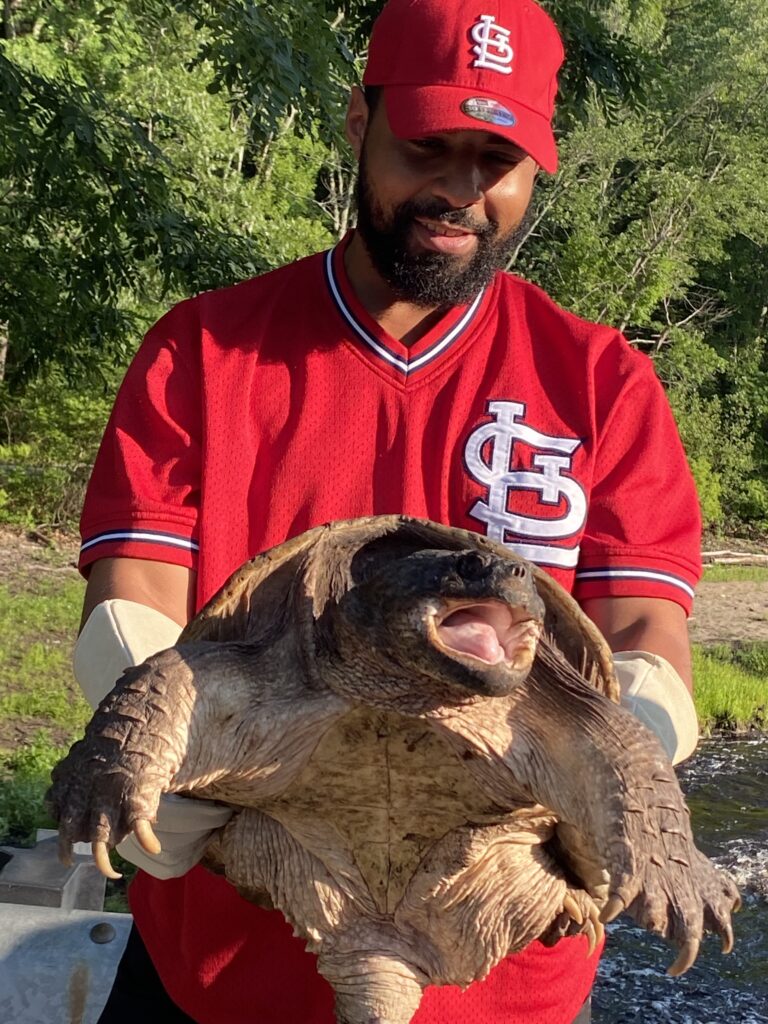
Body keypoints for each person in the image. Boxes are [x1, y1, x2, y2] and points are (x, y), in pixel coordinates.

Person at [73, 0, 702, 1021]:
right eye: (426, 146)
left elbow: (644, 629)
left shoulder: (599, 381)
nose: (456, 191)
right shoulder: (205, 351)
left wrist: (623, 774)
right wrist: (165, 763)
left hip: (506, 973)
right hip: (223, 962)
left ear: (536, 170)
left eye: (493, 159)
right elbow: (134, 594)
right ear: (359, 124)